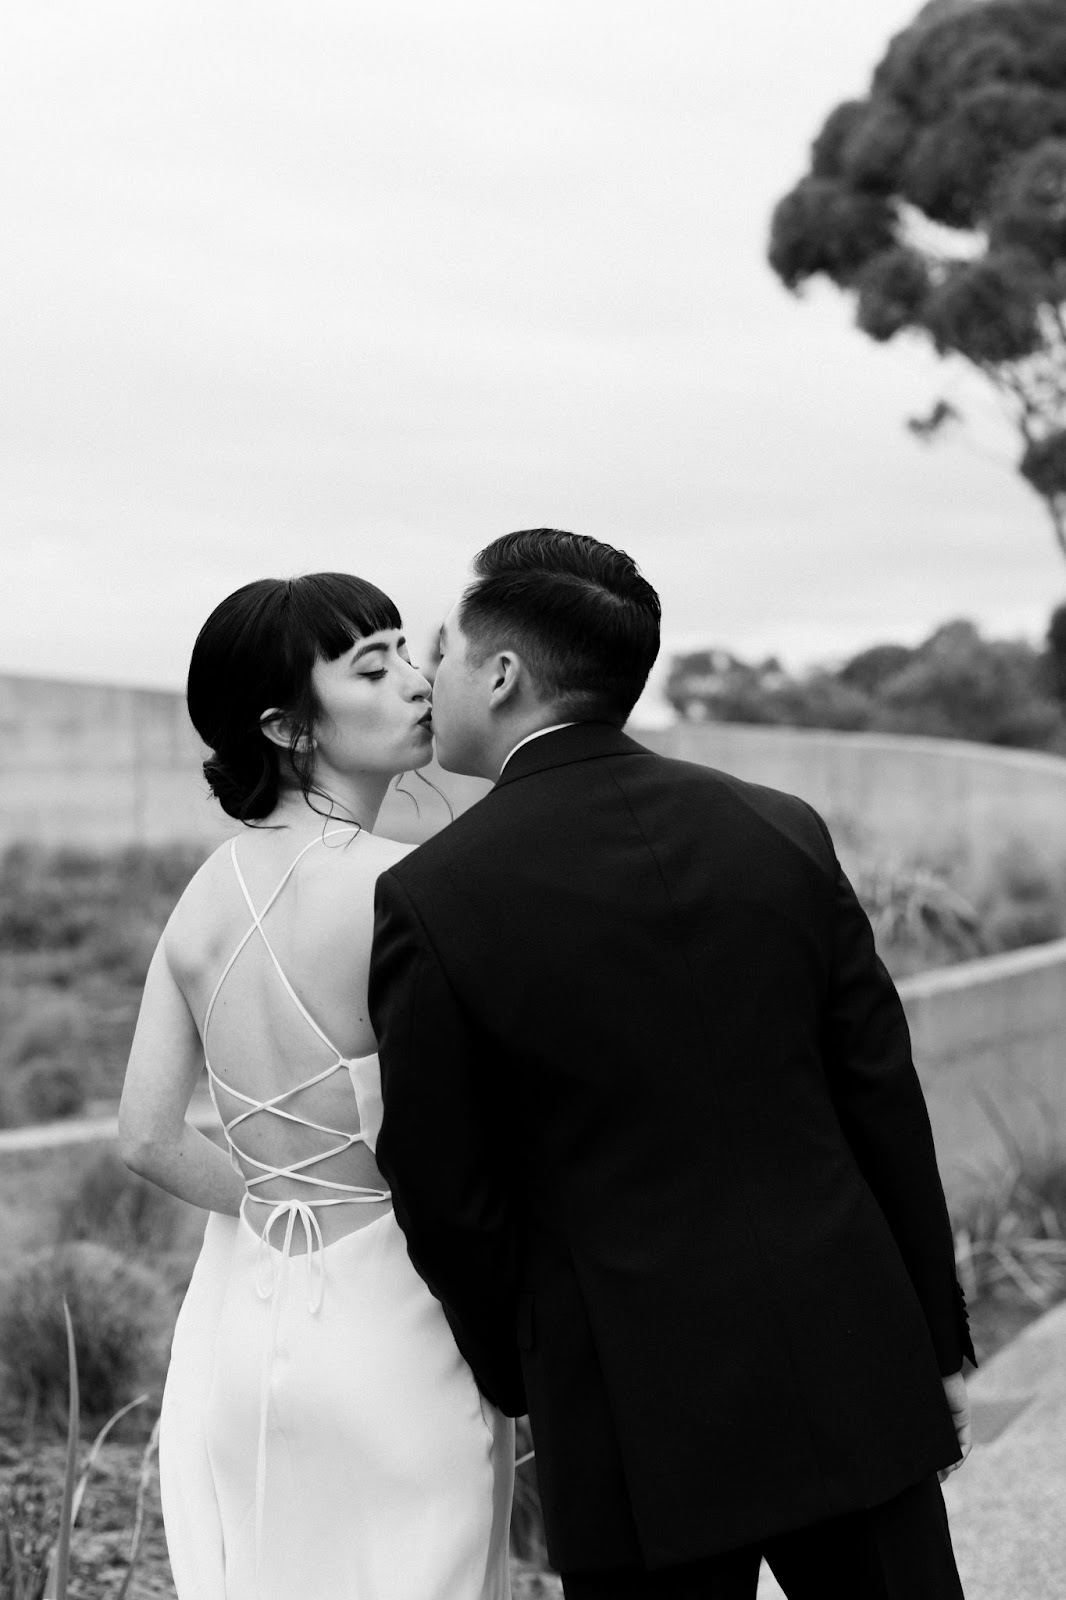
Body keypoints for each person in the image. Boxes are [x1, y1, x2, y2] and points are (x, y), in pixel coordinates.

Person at [369, 529, 974, 1600]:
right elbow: (880, 1096)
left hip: (625, 1398)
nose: (432, 678)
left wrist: (521, 1368)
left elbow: (443, 1183)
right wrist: (928, 1333)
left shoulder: (438, 894)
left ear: (502, 674)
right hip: (846, 1354)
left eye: (442, 651)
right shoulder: (778, 828)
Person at [119, 573, 514, 1600]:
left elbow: (146, 1136)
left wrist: (275, 1201)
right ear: (287, 727)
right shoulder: (408, 887)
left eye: (407, 654)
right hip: (399, 1328)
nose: (417, 682)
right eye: (373, 668)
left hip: (245, 1331)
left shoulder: (204, 893)